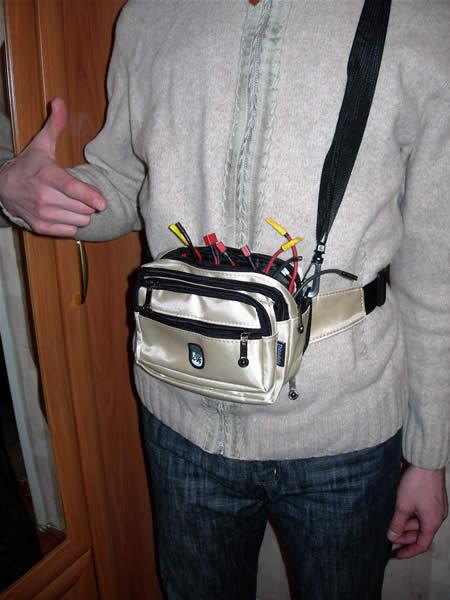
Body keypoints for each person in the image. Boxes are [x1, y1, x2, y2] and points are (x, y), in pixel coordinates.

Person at [0, 1, 448, 598]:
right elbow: (125, 185)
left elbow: (435, 269)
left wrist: (429, 453)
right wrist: (18, 191)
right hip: (178, 419)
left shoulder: (421, 22)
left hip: (344, 433)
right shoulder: (149, 16)